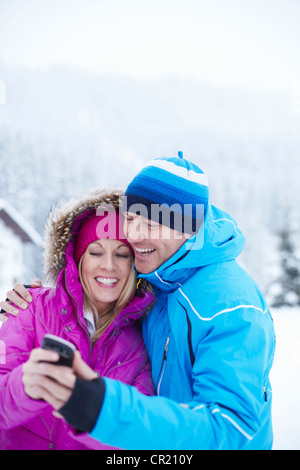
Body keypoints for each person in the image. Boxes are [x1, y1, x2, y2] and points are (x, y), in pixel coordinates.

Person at [1, 153, 276, 450]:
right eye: (131, 219)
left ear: (187, 228)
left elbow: (230, 429)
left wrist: (99, 406)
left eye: (152, 224)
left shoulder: (229, 305)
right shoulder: (161, 293)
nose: (134, 235)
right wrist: (26, 384)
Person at [0, 189, 155, 450]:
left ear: (134, 265)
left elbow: (137, 439)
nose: (108, 265)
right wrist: (26, 386)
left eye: (121, 254)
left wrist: (92, 411)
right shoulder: (30, 306)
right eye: (95, 252)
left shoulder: (142, 345)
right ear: (77, 260)